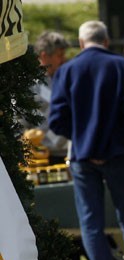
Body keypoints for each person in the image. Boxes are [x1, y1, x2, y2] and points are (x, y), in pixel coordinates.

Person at [49, 20, 124, 260]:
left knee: (90, 224)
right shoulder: (121, 67)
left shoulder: (67, 70)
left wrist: (83, 138)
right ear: (105, 41)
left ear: (81, 43)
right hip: (116, 153)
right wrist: (112, 140)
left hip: (83, 157)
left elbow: (56, 120)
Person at [28, 31, 69, 163]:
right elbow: (20, 121)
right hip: (42, 157)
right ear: (44, 56)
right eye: (59, 55)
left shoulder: (69, 78)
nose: (64, 59)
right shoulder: (28, 85)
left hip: (71, 152)